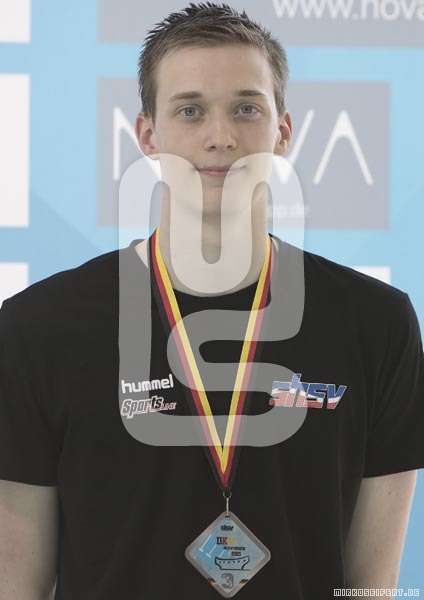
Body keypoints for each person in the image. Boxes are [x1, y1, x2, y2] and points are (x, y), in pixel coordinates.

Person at [1, 3, 423, 599]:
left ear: (282, 132)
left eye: (246, 108)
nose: (220, 136)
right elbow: (17, 585)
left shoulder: (376, 324)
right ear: (148, 136)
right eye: (190, 110)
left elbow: (371, 589)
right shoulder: (37, 328)